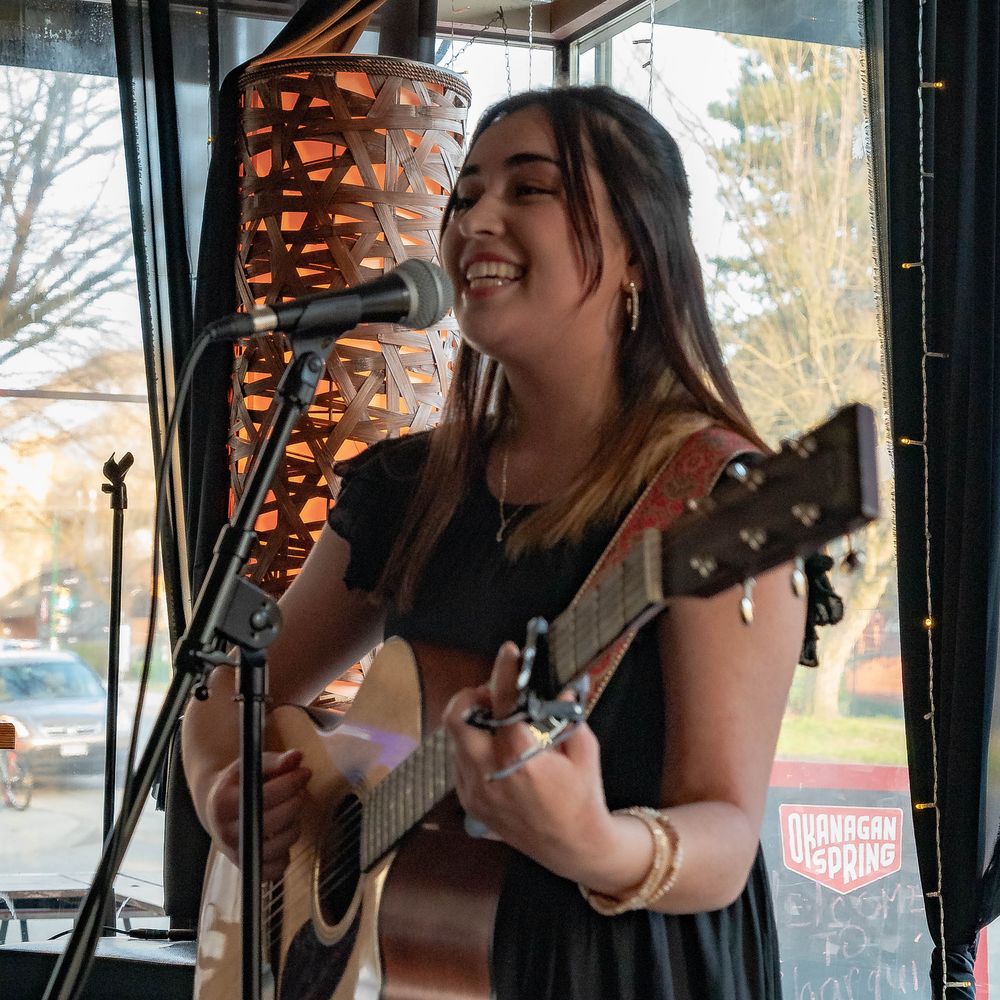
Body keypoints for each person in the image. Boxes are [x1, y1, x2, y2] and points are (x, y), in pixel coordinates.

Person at [183, 84, 808, 998]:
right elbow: (224, 684)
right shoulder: (409, 489)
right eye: (466, 194)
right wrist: (220, 789)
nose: (478, 218)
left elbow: (724, 831)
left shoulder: (719, 497)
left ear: (637, 245)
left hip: (626, 968)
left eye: (530, 189)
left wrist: (593, 842)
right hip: (420, 962)